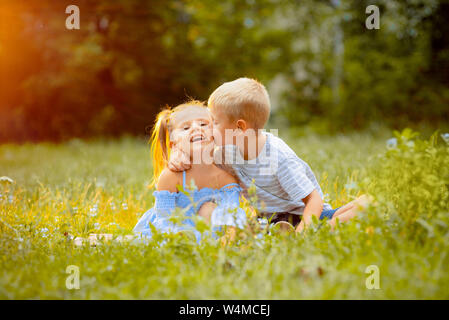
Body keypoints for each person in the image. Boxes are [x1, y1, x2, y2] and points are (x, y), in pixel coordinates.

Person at [168, 78, 369, 234]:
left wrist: (303, 233)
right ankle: (279, 232)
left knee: (366, 206)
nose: (209, 128)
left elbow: (314, 200)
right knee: (229, 220)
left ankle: (319, 230)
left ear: (239, 128)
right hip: (267, 220)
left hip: (307, 214)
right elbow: (198, 162)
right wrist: (179, 154)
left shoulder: (278, 157)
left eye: (214, 122)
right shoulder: (226, 152)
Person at [133, 100, 246, 242]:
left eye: (204, 124)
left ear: (216, 133)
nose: (195, 128)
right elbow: (165, 219)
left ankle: (207, 244)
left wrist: (231, 234)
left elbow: (233, 215)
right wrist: (180, 237)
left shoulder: (226, 178)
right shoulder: (172, 177)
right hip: (175, 230)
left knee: (209, 208)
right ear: (174, 143)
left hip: (211, 231)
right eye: (185, 128)